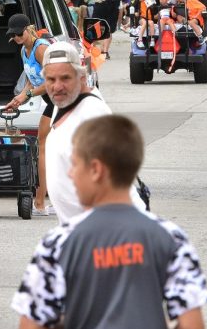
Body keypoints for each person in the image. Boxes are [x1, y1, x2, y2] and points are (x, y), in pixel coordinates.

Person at [11, 115, 207, 329]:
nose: (70, 173)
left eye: (74, 164)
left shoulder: (58, 243)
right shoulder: (171, 238)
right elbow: (192, 327)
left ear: (96, 170)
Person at [41, 42, 144, 222]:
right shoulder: (65, 102)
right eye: (51, 79)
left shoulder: (92, 115)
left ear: (81, 77)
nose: (57, 86)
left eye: (65, 78)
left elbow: (113, 183)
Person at [3, 14, 55, 216]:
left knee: (44, 147)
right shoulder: (23, 50)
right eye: (12, 34)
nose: (16, 37)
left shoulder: (40, 49)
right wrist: (18, 99)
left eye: (18, 33)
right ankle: (40, 202)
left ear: (28, 29)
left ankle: (41, 202)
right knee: (43, 147)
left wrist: (31, 94)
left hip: (60, 100)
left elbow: (51, 80)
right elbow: (31, 81)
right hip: (50, 101)